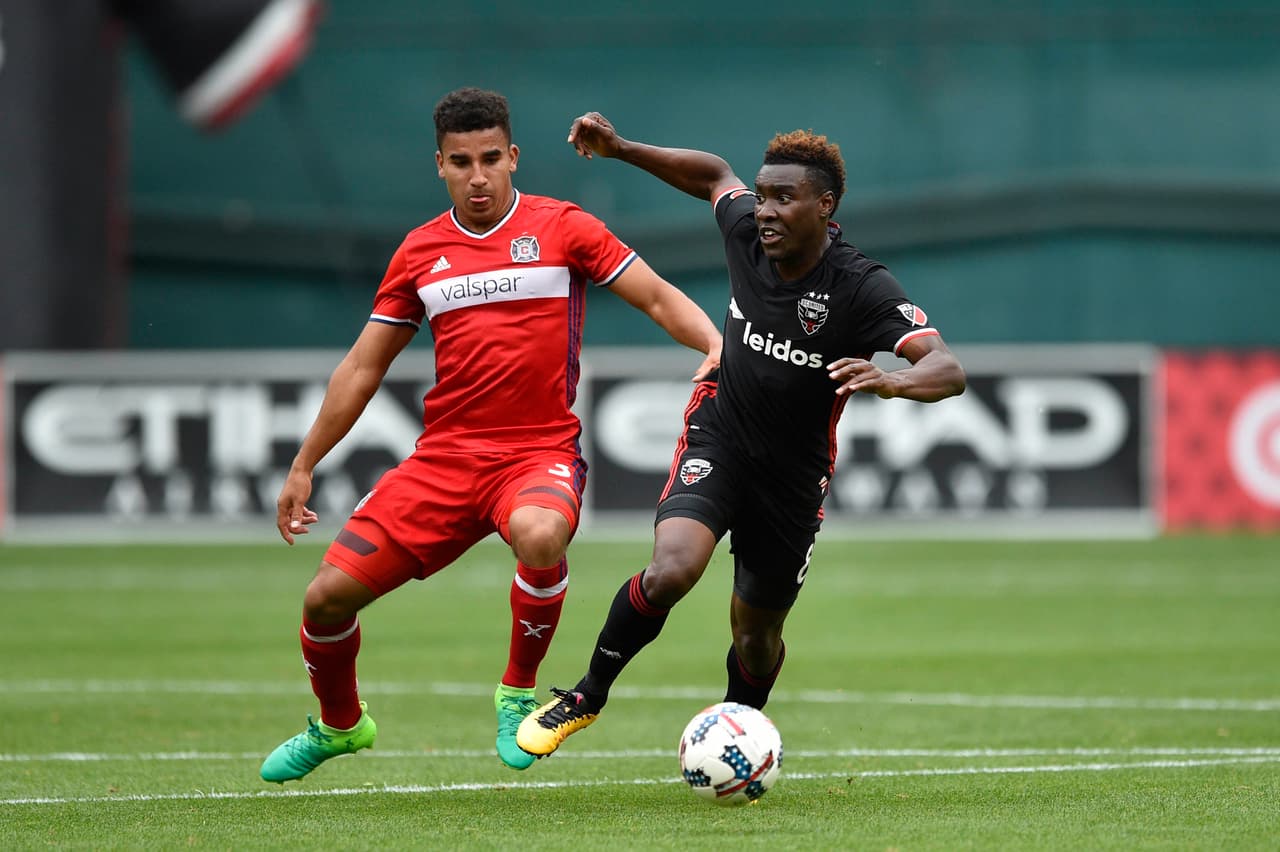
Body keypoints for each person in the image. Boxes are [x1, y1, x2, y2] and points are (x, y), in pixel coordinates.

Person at [259, 89, 721, 782]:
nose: (477, 176)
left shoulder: (565, 228)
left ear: (513, 157)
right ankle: (339, 726)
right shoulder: (420, 252)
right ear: (439, 166)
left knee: (540, 534)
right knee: (325, 599)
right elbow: (362, 366)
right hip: (444, 462)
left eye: (489, 159)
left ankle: (516, 694)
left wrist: (714, 342)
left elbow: (655, 295)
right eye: (460, 162)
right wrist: (304, 464)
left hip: (538, 454)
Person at [516, 112, 966, 757]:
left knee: (756, 635)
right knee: (672, 570)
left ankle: (735, 736)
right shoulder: (745, 229)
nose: (766, 210)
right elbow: (714, 176)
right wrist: (621, 149)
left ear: (825, 205)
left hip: (793, 476)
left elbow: (948, 370)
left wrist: (892, 381)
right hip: (719, 436)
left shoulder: (862, 287)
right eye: (764, 196)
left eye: (785, 198)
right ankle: (586, 695)